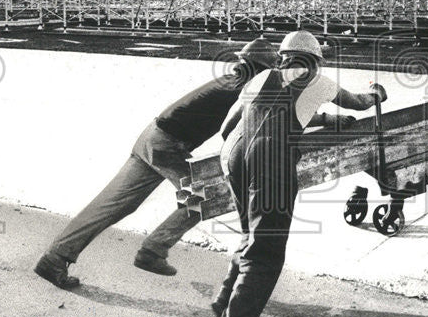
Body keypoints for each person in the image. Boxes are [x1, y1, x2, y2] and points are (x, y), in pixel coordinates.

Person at [34, 38, 280, 289]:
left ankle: (54, 257)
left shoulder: (231, 81)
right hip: (166, 146)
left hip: (152, 138)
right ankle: (153, 250)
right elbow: (258, 123)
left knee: (113, 205)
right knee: (206, 196)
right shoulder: (243, 90)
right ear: (262, 70)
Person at [206, 30, 386, 317]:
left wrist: (325, 120)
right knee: (266, 252)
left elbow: (226, 128)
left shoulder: (260, 79)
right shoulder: (318, 80)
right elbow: (360, 102)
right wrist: (377, 93)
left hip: (232, 156)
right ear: (315, 60)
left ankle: (223, 301)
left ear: (283, 56)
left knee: (250, 237)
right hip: (269, 160)